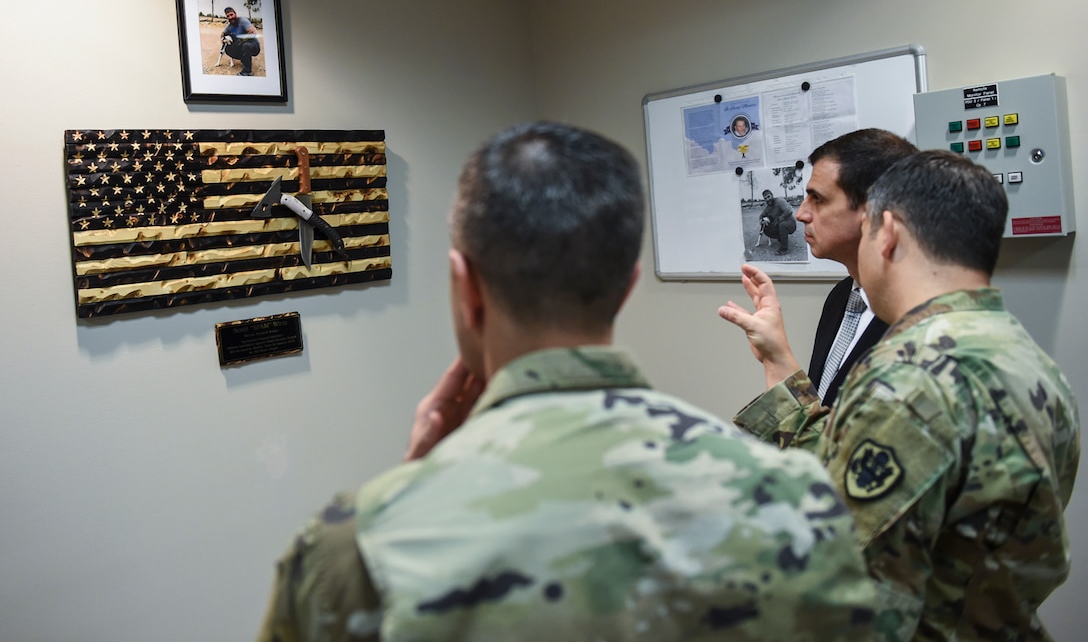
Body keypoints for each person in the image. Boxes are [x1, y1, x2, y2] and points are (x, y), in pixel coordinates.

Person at [255, 122, 876, 641]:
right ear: (627, 286)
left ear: (464, 288)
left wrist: (412, 484)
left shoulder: (357, 549)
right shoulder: (793, 495)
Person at [721, 150, 1080, 640]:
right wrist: (781, 367)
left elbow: (845, 575)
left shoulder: (909, 375)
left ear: (886, 232)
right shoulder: (1030, 362)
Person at [745, 129, 918, 407]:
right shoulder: (841, 297)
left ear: (876, 210)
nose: (801, 213)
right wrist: (775, 358)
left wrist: (779, 360)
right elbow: (822, 426)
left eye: (819, 199)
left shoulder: (920, 321)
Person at [221, 6, 261, 77]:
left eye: (231, 14)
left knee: (245, 45)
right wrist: (223, 39)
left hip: (253, 45)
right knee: (228, 49)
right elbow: (223, 34)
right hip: (241, 45)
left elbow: (253, 33)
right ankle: (244, 59)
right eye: (228, 16)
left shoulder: (243, 21)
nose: (230, 17)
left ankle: (247, 72)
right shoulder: (229, 26)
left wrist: (241, 40)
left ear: (235, 14)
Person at [758, 188, 796, 255]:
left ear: (772, 195)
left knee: (782, 224)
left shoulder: (779, 201)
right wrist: (762, 221)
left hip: (790, 223)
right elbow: (761, 216)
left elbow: (789, 211)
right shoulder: (768, 208)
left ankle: (784, 249)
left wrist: (779, 219)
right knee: (766, 229)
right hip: (779, 224)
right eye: (765, 198)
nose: (767, 199)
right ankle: (781, 238)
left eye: (768, 196)